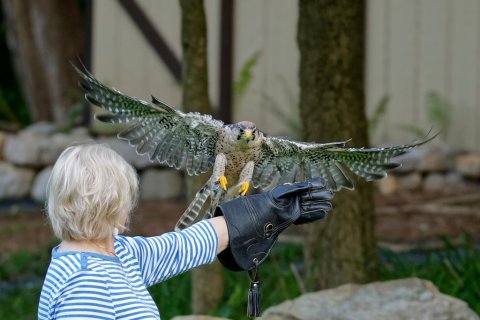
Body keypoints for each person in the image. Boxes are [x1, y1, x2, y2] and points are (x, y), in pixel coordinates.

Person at [38, 142, 333, 319]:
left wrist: (270, 209)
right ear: (110, 203)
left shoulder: (119, 253)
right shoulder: (85, 282)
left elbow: (182, 247)